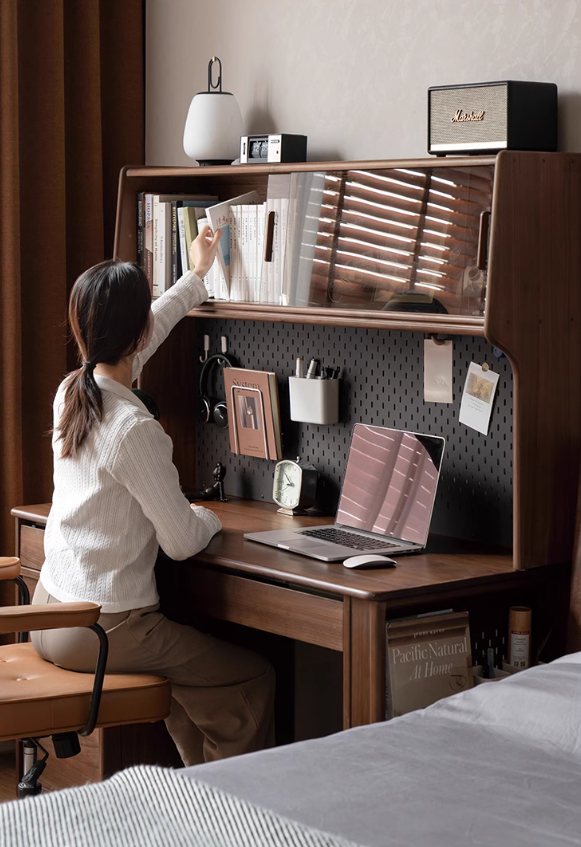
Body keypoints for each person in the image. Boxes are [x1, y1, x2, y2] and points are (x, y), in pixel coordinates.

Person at [30, 227, 275, 766]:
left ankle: (193, 797)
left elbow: (148, 331)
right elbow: (184, 542)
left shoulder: (73, 390)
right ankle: (233, 817)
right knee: (252, 681)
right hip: (105, 627)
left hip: (49, 612)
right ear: (133, 335)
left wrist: (196, 275)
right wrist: (208, 516)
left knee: (189, 690)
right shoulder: (132, 429)